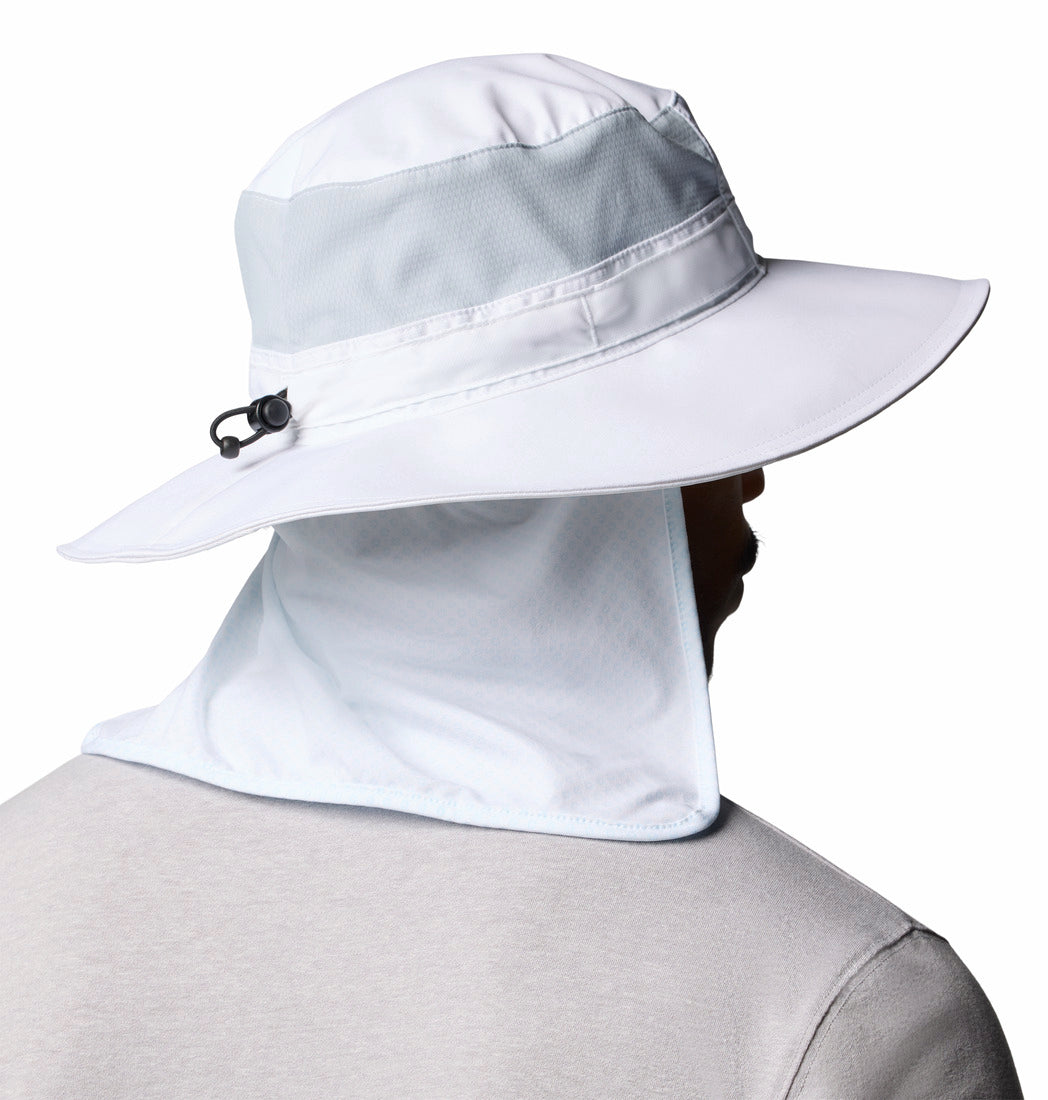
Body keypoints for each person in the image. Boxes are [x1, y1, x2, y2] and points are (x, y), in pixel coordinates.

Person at [0, 53, 1023, 1097]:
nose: (753, 477)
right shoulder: (841, 1010)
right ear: (598, 487)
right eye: (718, 431)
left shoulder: (20, 893)